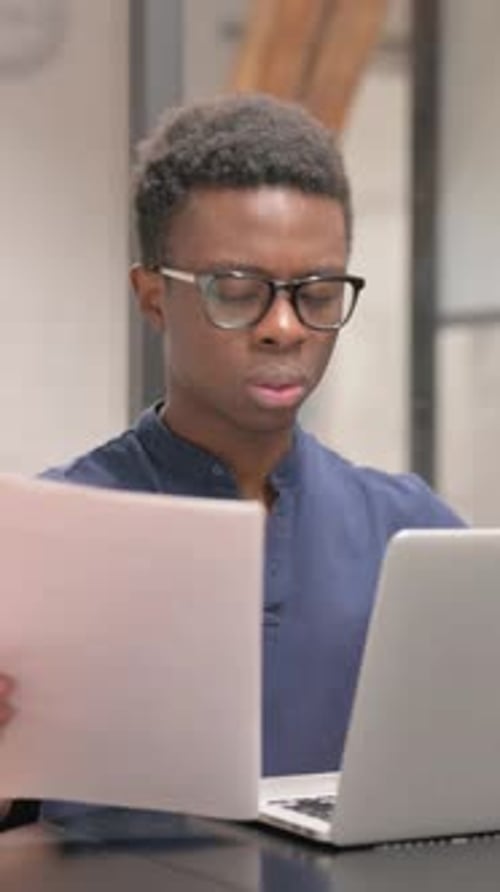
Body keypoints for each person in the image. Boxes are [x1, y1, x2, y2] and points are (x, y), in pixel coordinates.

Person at [0, 93, 463, 829]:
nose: (284, 328)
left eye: (317, 293)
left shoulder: (413, 533)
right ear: (153, 298)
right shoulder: (46, 541)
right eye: (238, 293)